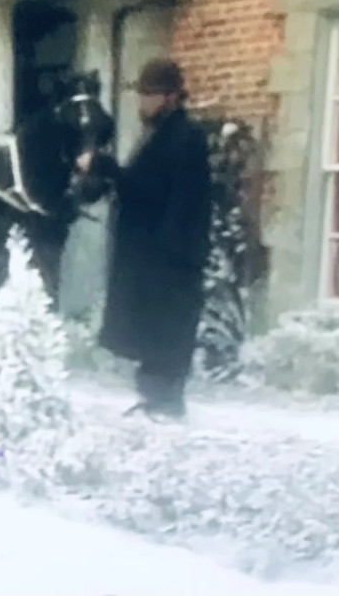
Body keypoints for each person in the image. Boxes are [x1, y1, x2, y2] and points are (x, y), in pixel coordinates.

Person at [76, 56, 212, 420]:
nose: (142, 102)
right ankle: (155, 398)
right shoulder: (161, 135)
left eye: (149, 95)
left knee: (164, 331)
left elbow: (152, 191)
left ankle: (165, 402)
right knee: (150, 332)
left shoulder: (183, 137)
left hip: (168, 257)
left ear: (169, 97)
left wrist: (107, 167)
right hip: (154, 255)